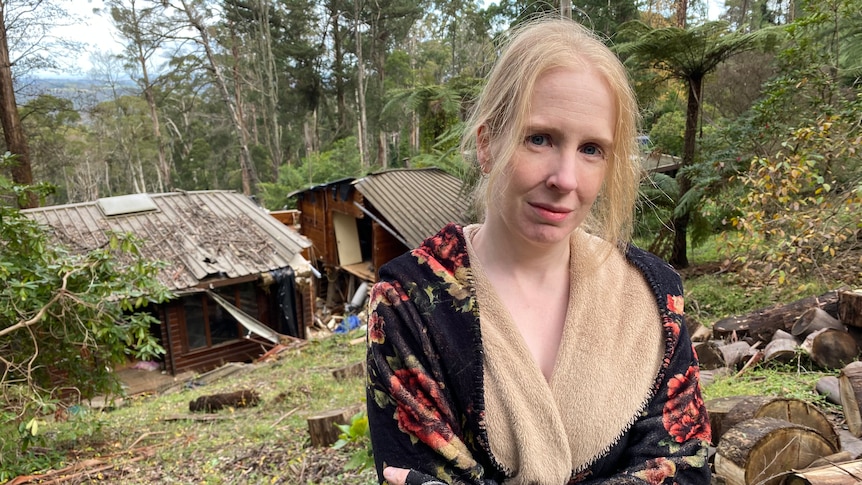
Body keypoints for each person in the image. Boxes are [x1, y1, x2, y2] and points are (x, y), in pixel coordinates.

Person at [365, 15, 711, 485]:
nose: (565, 179)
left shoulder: (652, 296)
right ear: (488, 145)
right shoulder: (408, 304)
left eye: (591, 149)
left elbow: (685, 464)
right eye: (540, 139)